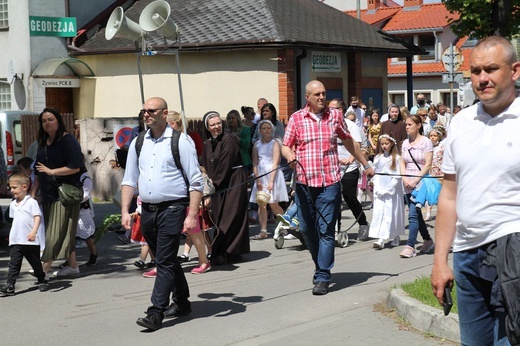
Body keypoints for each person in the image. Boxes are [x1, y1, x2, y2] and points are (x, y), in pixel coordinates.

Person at [431, 36, 520, 345]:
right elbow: (449, 195)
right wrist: (440, 261)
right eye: (476, 71)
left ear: (515, 71)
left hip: (513, 250)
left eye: (492, 69)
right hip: (467, 254)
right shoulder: (461, 122)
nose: (482, 79)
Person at [282, 80, 374, 296]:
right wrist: (290, 156)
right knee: (306, 229)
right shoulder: (296, 119)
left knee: (326, 230)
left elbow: (349, 141)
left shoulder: (334, 117)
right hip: (305, 183)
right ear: (308, 97)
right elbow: (286, 145)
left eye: (324, 93)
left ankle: (323, 275)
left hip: (330, 183)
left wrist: (365, 163)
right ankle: (319, 264)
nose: (322, 97)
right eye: (317, 94)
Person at [121, 97, 204, 331]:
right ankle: (183, 301)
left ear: (164, 113)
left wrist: (192, 215)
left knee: (165, 261)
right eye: (143, 111)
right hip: (147, 210)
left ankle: (155, 312)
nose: (146, 114)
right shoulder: (139, 142)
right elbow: (129, 180)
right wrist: (125, 210)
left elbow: (196, 181)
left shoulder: (181, 141)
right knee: (164, 259)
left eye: (151, 110)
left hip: (173, 208)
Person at [32, 108, 84, 277]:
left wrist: (52, 171)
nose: (47, 123)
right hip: (47, 195)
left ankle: (43, 269)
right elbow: (39, 172)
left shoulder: (67, 140)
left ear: (58, 121)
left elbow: (75, 166)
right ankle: (73, 266)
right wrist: (33, 195)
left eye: (51, 119)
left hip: (64, 195)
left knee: (55, 233)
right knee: (64, 231)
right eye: (44, 120)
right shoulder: (42, 143)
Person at [202, 111, 250, 265]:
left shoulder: (228, 140)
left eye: (218, 123)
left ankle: (224, 252)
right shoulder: (208, 143)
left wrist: (211, 186)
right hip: (218, 183)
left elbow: (225, 164)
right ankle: (228, 251)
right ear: (207, 127)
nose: (216, 127)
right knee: (219, 217)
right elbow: (208, 164)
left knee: (230, 217)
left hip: (233, 181)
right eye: (212, 125)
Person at [0, 173, 48, 296]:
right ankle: (10, 285)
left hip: (30, 240)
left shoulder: (31, 202)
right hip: (16, 240)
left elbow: (37, 217)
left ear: (25, 187)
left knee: (36, 263)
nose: (12, 190)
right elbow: (14, 219)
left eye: (14, 187)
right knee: (14, 263)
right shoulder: (13, 204)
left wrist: (34, 232)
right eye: (10, 188)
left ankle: (42, 278)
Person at [399, 114, 434, 258]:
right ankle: (427, 240)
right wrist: (404, 178)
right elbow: (402, 162)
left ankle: (410, 246)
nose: (407, 127)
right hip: (407, 182)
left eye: (409, 124)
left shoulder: (426, 142)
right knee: (417, 214)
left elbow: (428, 164)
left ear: (418, 125)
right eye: (406, 124)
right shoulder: (405, 143)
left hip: (420, 183)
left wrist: (415, 180)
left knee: (413, 214)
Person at [249, 120, 288, 240]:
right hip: (261, 174)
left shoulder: (275, 143)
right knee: (262, 203)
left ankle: (286, 225)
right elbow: (255, 162)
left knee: (273, 203)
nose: (266, 130)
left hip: (272, 173)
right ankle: (263, 230)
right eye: (264, 128)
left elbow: (276, 162)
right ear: (260, 130)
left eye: (268, 128)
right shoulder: (257, 144)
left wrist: (271, 181)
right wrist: (257, 180)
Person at [337, 112, 370, 241]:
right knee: (334, 198)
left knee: (349, 197)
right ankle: (336, 227)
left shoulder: (350, 125)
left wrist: (351, 158)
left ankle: (363, 223)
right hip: (333, 167)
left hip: (349, 168)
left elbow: (357, 145)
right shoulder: (327, 124)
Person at [368, 134, 405, 249]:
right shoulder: (378, 157)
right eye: (382, 144)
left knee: (391, 212)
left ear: (392, 144)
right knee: (380, 212)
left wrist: (389, 189)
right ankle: (381, 238)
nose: (384, 146)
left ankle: (395, 235)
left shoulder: (397, 158)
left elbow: (397, 176)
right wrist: (377, 186)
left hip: (392, 189)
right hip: (380, 188)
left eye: (386, 144)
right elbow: (375, 172)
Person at [75, 169, 98, 266]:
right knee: (70, 236)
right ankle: (70, 259)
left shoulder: (85, 178)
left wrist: (73, 199)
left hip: (81, 209)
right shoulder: (68, 176)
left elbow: (85, 195)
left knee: (87, 234)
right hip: (70, 208)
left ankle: (94, 254)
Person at [226, 109, 252, 174]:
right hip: (230, 162)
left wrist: (235, 136)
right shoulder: (226, 131)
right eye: (229, 118)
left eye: (233, 118)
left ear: (237, 119)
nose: (230, 120)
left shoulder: (246, 129)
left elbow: (246, 145)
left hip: (243, 161)